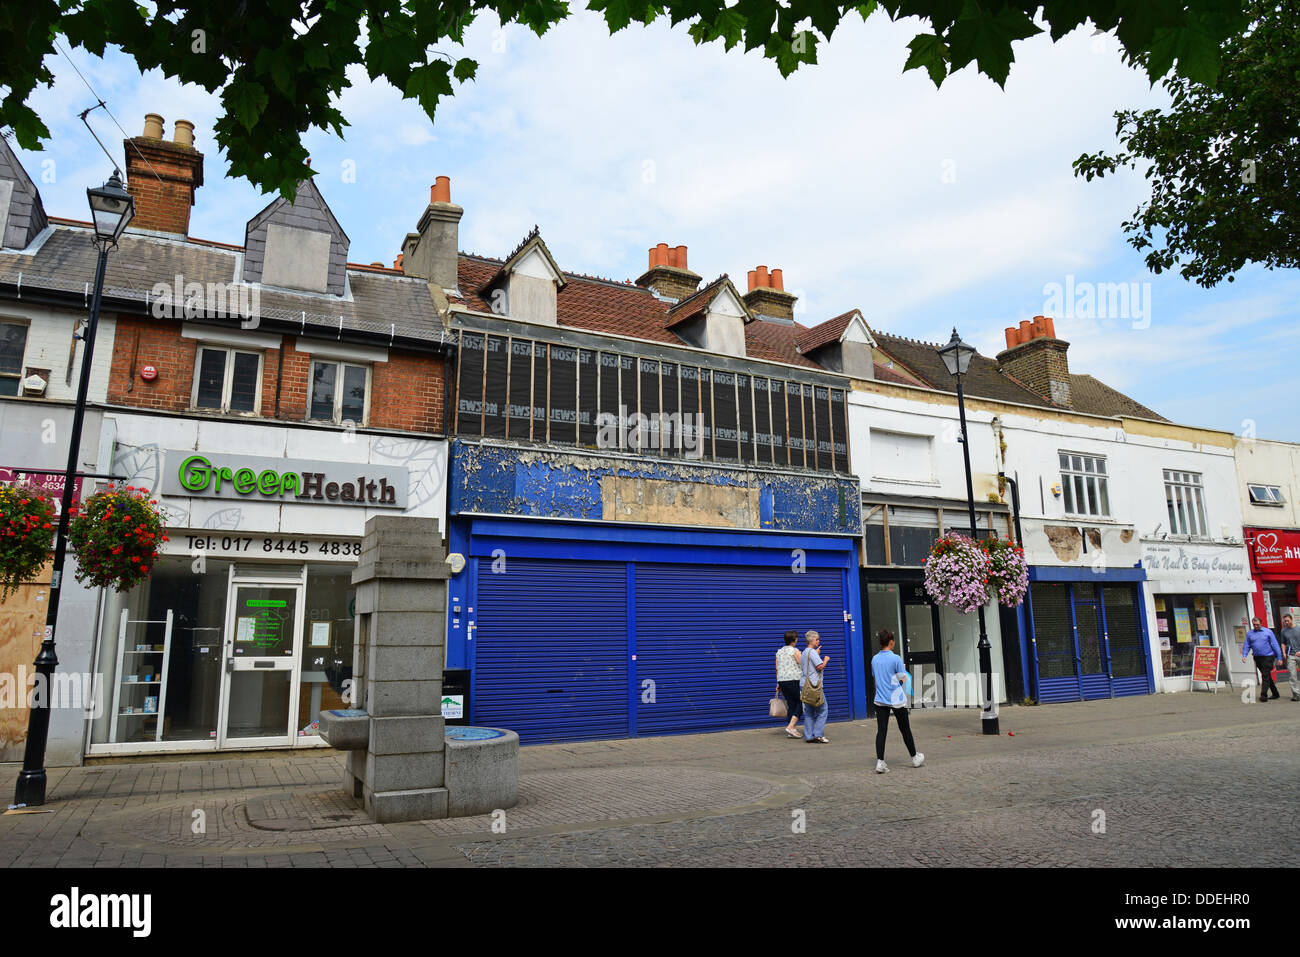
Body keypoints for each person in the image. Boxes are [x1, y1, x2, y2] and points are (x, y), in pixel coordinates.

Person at [871, 630, 923, 773]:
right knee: (905, 728)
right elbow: (903, 678)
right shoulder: (896, 658)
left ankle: (880, 762)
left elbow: (875, 676)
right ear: (891, 642)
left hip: (880, 699)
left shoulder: (874, 659)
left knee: (881, 731)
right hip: (896, 699)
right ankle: (914, 758)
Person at [1241, 617, 1283, 703]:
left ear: (1261, 623)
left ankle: (1263, 695)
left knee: (1264, 675)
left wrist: (1279, 657)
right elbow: (1247, 645)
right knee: (1266, 675)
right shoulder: (1250, 634)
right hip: (1257, 657)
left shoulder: (1268, 632)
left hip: (1268, 656)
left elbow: (1275, 644)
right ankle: (1275, 693)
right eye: (1254, 624)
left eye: (1257, 624)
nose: (1256, 626)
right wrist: (1244, 655)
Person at [800, 630, 830, 744]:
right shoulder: (812, 652)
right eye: (817, 639)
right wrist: (826, 660)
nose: (818, 641)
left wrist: (816, 654)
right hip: (814, 686)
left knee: (809, 712)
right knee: (823, 710)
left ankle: (809, 736)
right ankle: (818, 734)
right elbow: (820, 667)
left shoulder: (805, 652)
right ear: (811, 640)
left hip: (804, 685)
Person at [775, 630, 804, 737]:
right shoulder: (794, 651)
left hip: (782, 681)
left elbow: (777, 668)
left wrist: (778, 683)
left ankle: (791, 731)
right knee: (802, 702)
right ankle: (791, 727)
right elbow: (802, 663)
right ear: (794, 639)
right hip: (793, 680)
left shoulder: (779, 652)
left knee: (791, 704)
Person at [1279, 614, 1300, 702]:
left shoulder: (1298, 629)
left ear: (1292, 620)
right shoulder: (1284, 631)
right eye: (1285, 621)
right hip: (1290, 655)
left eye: (1288, 620)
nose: (1286, 622)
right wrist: (1283, 653)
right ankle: (1296, 695)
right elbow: (1283, 642)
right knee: (1292, 675)